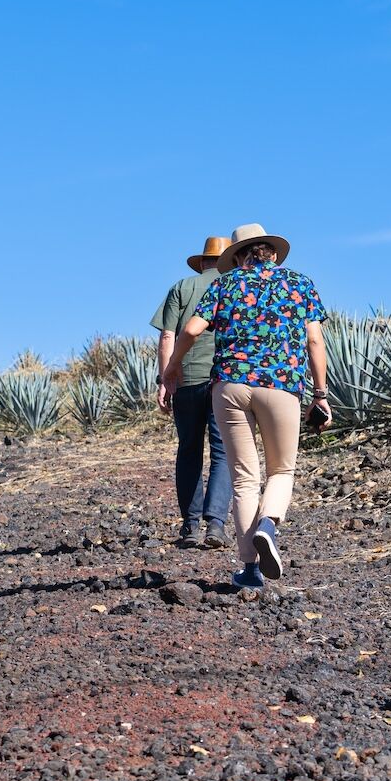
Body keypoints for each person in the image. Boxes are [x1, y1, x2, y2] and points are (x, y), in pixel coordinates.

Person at [162, 223, 330, 590]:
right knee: (282, 471)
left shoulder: (223, 284)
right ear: (271, 251)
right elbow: (315, 341)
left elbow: (190, 330)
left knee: (244, 478)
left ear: (237, 256)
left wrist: (173, 366)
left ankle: (250, 571)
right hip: (282, 386)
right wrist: (320, 394)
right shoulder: (300, 284)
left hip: (230, 386)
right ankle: (269, 525)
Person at [151, 235, 233, 549]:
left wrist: (165, 379)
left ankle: (191, 525)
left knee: (188, 451)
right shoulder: (234, 288)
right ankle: (216, 524)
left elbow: (167, 337)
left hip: (186, 380)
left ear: (202, 263)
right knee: (222, 452)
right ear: (230, 261)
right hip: (223, 380)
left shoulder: (182, 288)